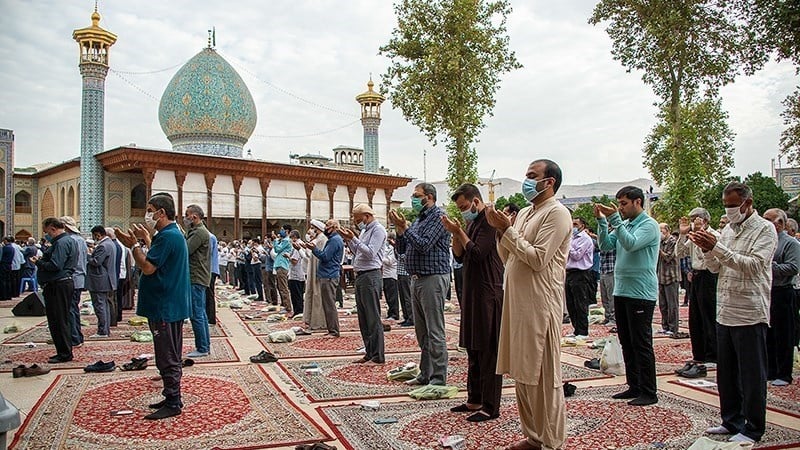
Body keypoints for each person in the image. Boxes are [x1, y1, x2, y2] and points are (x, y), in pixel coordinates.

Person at [488, 160, 570, 450]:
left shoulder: (557, 213)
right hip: (517, 302)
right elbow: (508, 257)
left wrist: (507, 231)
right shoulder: (524, 213)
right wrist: (501, 232)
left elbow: (538, 259)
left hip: (540, 303)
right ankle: (534, 436)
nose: (526, 180)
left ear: (549, 182)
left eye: (532, 176)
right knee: (522, 372)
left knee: (544, 376)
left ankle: (552, 442)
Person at [692, 182, 777, 444]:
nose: (729, 211)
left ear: (747, 203)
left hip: (749, 312)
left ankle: (753, 427)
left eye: (732, 205)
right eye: (726, 205)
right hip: (725, 310)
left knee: (751, 374)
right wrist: (707, 249)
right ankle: (731, 420)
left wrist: (716, 247)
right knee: (726, 374)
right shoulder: (728, 229)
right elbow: (716, 268)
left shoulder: (765, 229)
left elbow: (753, 266)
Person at [115, 192, 191, 420]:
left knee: (167, 355)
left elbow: (148, 267)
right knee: (169, 353)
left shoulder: (168, 236)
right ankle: (171, 396)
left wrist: (133, 246)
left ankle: (173, 401)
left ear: (161, 212)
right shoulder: (171, 234)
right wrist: (147, 239)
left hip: (164, 305)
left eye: (150, 211)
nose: (147, 215)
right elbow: (160, 257)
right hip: (168, 303)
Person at [443, 183, 504, 423]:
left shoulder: (489, 220)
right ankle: (474, 398)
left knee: (488, 350)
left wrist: (459, 232)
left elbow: (478, 253)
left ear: (476, 201)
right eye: (460, 208)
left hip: (488, 292)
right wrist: (455, 233)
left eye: (465, 206)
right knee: (473, 347)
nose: (463, 211)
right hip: (472, 292)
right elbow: (459, 255)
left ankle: (490, 406)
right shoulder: (471, 223)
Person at [595, 186, 660, 406]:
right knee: (627, 342)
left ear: (637, 202)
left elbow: (631, 244)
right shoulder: (627, 225)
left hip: (640, 292)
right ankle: (634, 385)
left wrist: (615, 218)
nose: (620, 208)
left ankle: (649, 391)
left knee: (641, 343)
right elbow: (605, 245)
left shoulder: (648, 225)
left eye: (624, 204)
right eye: (619, 204)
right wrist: (602, 221)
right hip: (621, 290)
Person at [389, 182, 451, 386]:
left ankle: (438, 377)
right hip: (416, 278)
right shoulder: (419, 219)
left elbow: (424, 245)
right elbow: (402, 250)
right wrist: (400, 230)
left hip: (433, 277)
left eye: (417, 195)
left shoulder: (438, 217)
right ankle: (425, 374)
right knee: (422, 332)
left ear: (429, 197)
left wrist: (406, 228)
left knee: (434, 331)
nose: (413, 199)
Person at [340, 204, 387, 364]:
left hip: (371, 276)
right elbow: (358, 252)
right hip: (361, 276)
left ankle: (378, 355)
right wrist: (349, 240)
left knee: (373, 317)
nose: (356, 222)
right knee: (364, 318)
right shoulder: (365, 231)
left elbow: (370, 253)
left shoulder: (378, 230)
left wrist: (354, 239)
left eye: (358, 219)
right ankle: (369, 352)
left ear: (367, 216)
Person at [675, 207, 720, 378]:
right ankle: (699, 354)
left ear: (705, 220)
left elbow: (711, 257)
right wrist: (683, 235)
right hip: (696, 276)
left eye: (696, 219)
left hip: (709, 275)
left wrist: (701, 235)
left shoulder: (714, 235)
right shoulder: (692, 236)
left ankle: (712, 354)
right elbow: (680, 253)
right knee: (695, 317)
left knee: (709, 315)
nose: (693, 222)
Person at [34, 218, 79, 363]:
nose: (47, 235)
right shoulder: (69, 240)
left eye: (47, 232)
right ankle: (63, 351)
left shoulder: (61, 243)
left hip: (58, 285)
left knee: (58, 320)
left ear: (53, 228)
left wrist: (38, 262)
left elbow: (55, 265)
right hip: (62, 284)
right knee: (61, 319)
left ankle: (64, 353)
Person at [762, 208, 799, 387]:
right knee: (768, 332)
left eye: (769, 220)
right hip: (766, 291)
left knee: (784, 334)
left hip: (783, 292)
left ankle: (784, 373)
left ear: (781, 223)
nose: (766, 223)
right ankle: (770, 370)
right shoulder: (764, 241)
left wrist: (770, 266)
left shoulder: (791, 243)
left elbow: (793, 267)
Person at [303, 219, 343, 337]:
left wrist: (314, 249)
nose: (325, 227)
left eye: (328, 225)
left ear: (334, 228)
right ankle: (331, 329)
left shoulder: (334, 240)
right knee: (327, 304)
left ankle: (334, 331)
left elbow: (325, 257)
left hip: (329, 275)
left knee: (329, 305)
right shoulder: (332, 239)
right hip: (327, 274)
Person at [183, 204, 211, 358]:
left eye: (187, 215)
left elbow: (186, 250)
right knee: (200, 313)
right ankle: (204, 345)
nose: (185, 218)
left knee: (196, 314)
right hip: (199, 276)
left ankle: (202, 348)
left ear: (194, 216)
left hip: (197, 277)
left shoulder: (199, 232)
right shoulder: (198, 231)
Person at [60, 217, 88, 348]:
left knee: (70, 310)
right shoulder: (81, 240)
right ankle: (77, 336)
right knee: (74, 309)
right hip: (80, 278)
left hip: (72, 278)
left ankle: (74, 338)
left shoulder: (69, 240)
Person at [565, 217, 594, 339]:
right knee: (571, 303)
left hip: (581, 273)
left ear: (582, 225)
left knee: (580, 303)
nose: (573, 227)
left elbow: (577, 255)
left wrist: (567, 246)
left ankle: (583, 331)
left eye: (576, 224)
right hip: (569, 272)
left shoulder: (585, 239)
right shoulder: (571, 238)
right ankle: (576, 329)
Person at [86, 226, 118, 338]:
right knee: (104, 305)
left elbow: (96, 262)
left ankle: (102, 331)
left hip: (99, 280)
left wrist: (87, 255)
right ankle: (105, 329)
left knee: (100, 306)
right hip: (105, 279)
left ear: (98, 235)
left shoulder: (103, 246)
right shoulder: (110, 244)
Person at [303, 220, 329, 330]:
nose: (310, 230)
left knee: (317, 295)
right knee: (312, 293)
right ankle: (310, 320)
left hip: (317, 270)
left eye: (313, 228)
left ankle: (319, 321)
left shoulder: (322, 239)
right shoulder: (317, 239)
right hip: (312, 269)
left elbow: (320, 255)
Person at [657, 224, 679, 335]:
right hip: (661, 276)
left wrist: (658, 250)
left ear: (667, 230)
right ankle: (665, 327)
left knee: (672, 305)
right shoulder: (660, 242)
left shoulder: (673, 241)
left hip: (671, 277)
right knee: (663, 304)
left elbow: (668, 257)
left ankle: (673, 328)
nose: (660, 232)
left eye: (661, 230)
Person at [392, 233, 414, 327]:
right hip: (400, 272)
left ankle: (411, 317)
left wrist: (397, 251)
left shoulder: (408, 243)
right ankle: (406, 317)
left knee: (407, 296)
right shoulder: (400, 245)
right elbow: (397, 257)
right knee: (402, 297)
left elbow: (405, 257)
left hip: (406, 273)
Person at [272, 226, 294, 317]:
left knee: (283, 288)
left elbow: (277, 249)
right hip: (279, 265)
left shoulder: (286, 240)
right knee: (280, 287)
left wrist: (275, 240)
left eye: (282, 229)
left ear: (286, 231)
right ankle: (285, 305)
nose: (280, 231)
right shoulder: (283, 240)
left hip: (282, 265)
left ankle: (288, 307)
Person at [288, 230, 309, 316]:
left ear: (294, 237)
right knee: (298, 294)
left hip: (296, 273)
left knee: (296, 295)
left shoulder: (297, 245)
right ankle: (299, 311)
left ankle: (298, 311)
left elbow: (294, 261)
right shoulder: (300, 244)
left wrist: (288, 257)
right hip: (300, 273)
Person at [598, 238, 616, 326]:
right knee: (604, 296)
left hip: (611, 271)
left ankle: (613, 318)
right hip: (603, 270)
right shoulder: (601, 241)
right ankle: (607, 316)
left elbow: (606, 249)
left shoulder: (613, 240)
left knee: (611, 297)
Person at [381, 236, 400, 320]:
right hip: (385, 275)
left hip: (391, 275)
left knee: (392, 296)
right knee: (388, 296)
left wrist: (380, 257)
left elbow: (390, 261)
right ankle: (390, 312)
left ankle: (394, 314)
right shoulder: (386, 248)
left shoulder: (393, 250)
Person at [207, 231, 219, 325]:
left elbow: (207, 253)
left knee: (209, 295)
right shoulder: (211, 236)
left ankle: (211, 318)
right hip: (210, 269)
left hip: (210, 269)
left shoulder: (209, 237)